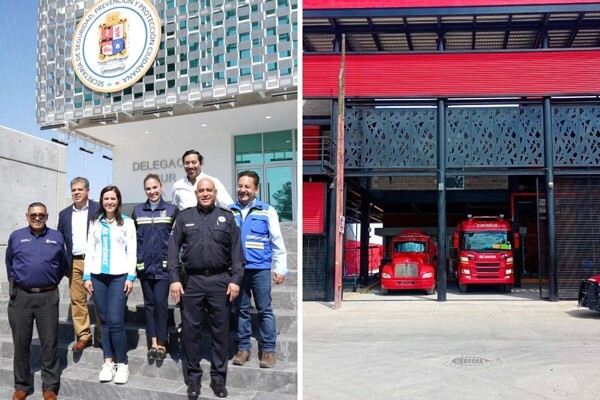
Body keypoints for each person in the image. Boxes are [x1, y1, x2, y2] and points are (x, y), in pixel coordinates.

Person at [168, 177, 245, 398]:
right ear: (195, 193)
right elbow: (173, 250)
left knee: (220, 332)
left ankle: (218, 379)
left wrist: (236, 280)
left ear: (215, 192)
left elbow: (237, 254)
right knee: (191, 333)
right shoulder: (184, 217)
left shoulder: (227, 218)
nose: (204, 194)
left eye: (208, 190)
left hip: (220, 281)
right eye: (201, 190)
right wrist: (174, 279)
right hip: (191, 282)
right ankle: (193, 378)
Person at [6, 203, 67, 400]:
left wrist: (49, 282)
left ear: (47, 216)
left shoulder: (57, 237)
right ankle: (22, 386)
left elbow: (62, 265)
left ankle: (49, 387)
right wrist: (18, 285)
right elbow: (10, 264)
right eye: (34, 215)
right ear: (27, 216)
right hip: (21, 297)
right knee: (21, 343)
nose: (37, 218)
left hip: (48, 297)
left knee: (49, 343)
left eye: (41, 215)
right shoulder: (16, 236)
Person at [229, 171, 288, 369]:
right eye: (240, 186)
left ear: (256, 189)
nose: (243, 190)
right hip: (238, 270)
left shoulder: (266, 210)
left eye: (247, 186)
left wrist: (279, 268)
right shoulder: (230, 211)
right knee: (241, 310)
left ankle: (268, 350)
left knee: (264, 310)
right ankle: (243, 348)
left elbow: (277, 241)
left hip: (260, 269)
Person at [83, 185, 136, 384]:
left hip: (119, 276)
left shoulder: (127, 223)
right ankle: (108, 361)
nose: (109, 202)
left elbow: (132, 251)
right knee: (103, 320)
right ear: (101, 201)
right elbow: (90, 248)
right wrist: (87, 276)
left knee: (115, 320)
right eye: (106, 199)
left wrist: (131, 277)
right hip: (98, 275)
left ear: (118, 200)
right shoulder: (95, 222)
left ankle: (122, 363)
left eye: (113, 199)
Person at [132, 174, 179, 362]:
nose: (152, 191)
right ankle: (153, 343)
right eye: (148, 189)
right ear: (145, 190)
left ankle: (163, 342)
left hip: (163, 267)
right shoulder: (137, 211)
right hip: (145, 268)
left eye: (155, 187)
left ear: (161, 187)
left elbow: (177, 240)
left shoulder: (172, 210)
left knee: (160, 303)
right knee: (149, 305)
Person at [57, 177, 101, 352]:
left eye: (79, 189)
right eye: (73, 190)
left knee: (99, 299)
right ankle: (83, 335)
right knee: (77, 300)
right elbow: (61, 240)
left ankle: (101, 336)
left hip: (96, 261)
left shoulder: (99, 209)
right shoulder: (64, 214)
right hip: (74, 261)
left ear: (88, 191)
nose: (76, 192)